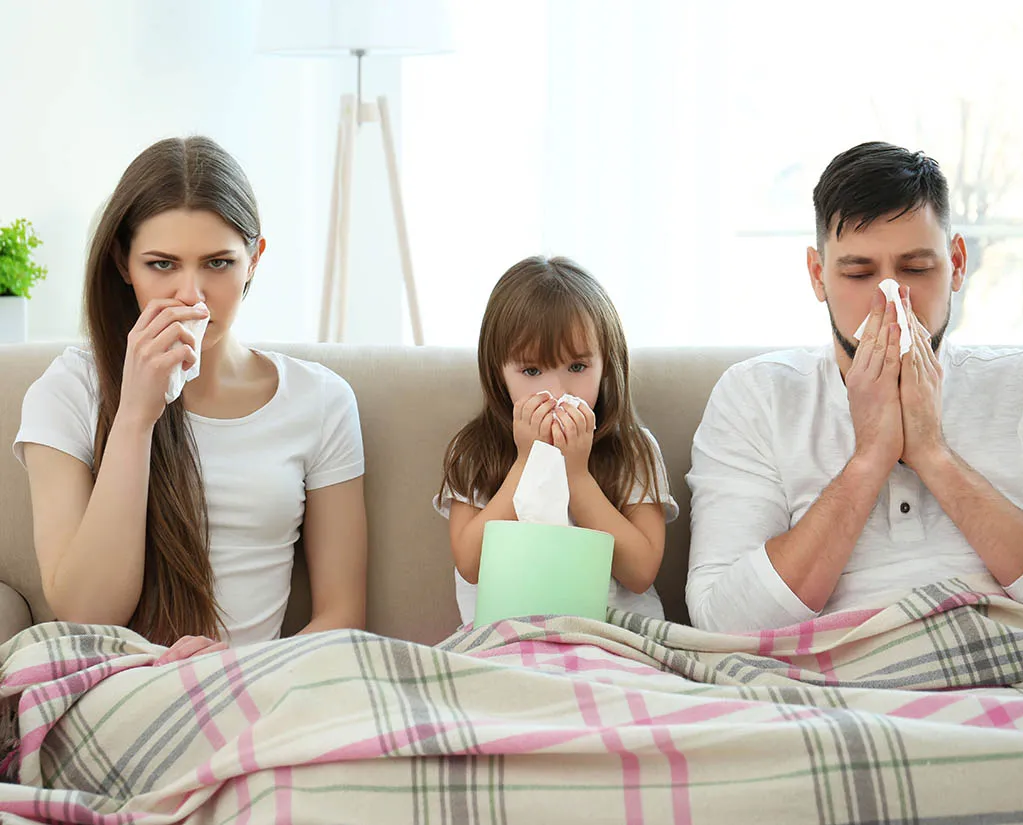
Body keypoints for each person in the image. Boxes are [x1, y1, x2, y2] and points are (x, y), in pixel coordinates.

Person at [686, 141, 1023, 644]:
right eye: (859, 273)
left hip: (1010, 662)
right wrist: (869, 459)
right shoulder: (754, 395)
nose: (891, 297)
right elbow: (722, 625)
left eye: (917, 269)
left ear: (957, 263)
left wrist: (932, 453)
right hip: (824, 679)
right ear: (818, 276)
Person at [14, 136, 368, 647]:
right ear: (123, 264)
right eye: (161, 264)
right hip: (123, 684)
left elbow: (343, 616)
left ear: (254, 259)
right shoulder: (67, 392)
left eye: (218, 263)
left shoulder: (321, 400)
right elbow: (89, 615)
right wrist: (136, 414)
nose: (191, 295)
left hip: (260, 693)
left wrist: (237, 671)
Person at [436, 255, 678, 624]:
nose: (556, 389)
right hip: (510, 641)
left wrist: (577, 475)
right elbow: (471, 564)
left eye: (577, 367)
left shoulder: (634, 450)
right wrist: (525, 464)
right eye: (531, 370)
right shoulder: (473, 451)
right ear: (498, 373)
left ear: (606, 365)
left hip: (614, 642)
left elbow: (641, 572)